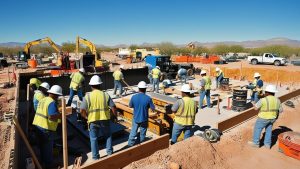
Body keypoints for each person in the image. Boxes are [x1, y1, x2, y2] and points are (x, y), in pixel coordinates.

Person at [80, 75, 118, 160]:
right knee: (108, 136)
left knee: (93, 139)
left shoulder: (88, 96)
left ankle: (95, 157)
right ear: (100, 85)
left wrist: (86, 117)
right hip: (105, 120)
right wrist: (114, 117)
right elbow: (113, 107)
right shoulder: (105, 95)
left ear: (91, 86)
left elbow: (82, 110)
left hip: (93, 121)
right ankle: (109, 153)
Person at [32, 85, 63, 168]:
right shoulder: (52, 102)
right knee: (48, 149)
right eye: (58, 95)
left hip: (38, 126)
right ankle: (49, 165)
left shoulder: (43, 99)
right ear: (56, 95)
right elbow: (51, 116)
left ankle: (43, 163)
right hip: (45, 128)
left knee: (42, 147)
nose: (58, 97)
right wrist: (61, 115)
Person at [248, 85, 283, 149]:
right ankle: (267, 144)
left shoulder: (263, 100)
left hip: (263, 118)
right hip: (272, 118)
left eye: (265, 92)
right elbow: (281, 110)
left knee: (257, 129)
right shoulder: (277, 100)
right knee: (269, 130)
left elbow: (255, 108)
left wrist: (253, 103)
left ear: (267, 92)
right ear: (274, 93)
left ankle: (255, 143)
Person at [128, 81, 155, 146]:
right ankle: (141, 144)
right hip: (144, 119)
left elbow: (130, 106)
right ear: (145, 89)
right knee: (143, 133)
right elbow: (153, 108)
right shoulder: (148, 98)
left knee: (133, 131)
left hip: (135, 118)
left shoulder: (133, 97)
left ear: (138, 88)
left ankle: (130, 144)